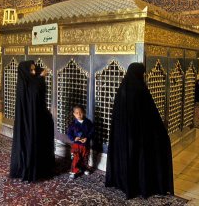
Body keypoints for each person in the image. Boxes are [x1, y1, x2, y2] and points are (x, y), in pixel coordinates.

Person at [105, 62, 174, 199]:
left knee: (127, 157)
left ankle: (123, 183)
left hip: (123, 135)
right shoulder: (140, 89)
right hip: (137, 135)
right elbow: (149, 115)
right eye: (142, 74)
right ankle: (137, 185)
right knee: (138, 158)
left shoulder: (122, 88)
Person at [10, 60, 55, 182]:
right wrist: (40, 78)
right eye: (31, 70)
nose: (34, 72)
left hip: (38, 117)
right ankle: (30, 168)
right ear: (25, 72)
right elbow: (33, 94)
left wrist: (40, 75)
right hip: (29, 122)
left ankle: (42, 168)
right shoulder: (25, 84)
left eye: (34, 69)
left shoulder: (32, 80)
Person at [67, 105, 94, 179]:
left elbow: (92, 132)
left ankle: (84, 168)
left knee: (85, 157)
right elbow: (69, 133)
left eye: (81, 113)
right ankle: (74, 171)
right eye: (77, 113)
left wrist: (87, 138)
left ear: (84, 113)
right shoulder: (72, 124)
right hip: (76, 145)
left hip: (85, 144)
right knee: (76, 157)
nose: (79, 115)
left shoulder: (88, 122)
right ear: (74, 114)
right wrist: (74, 138)